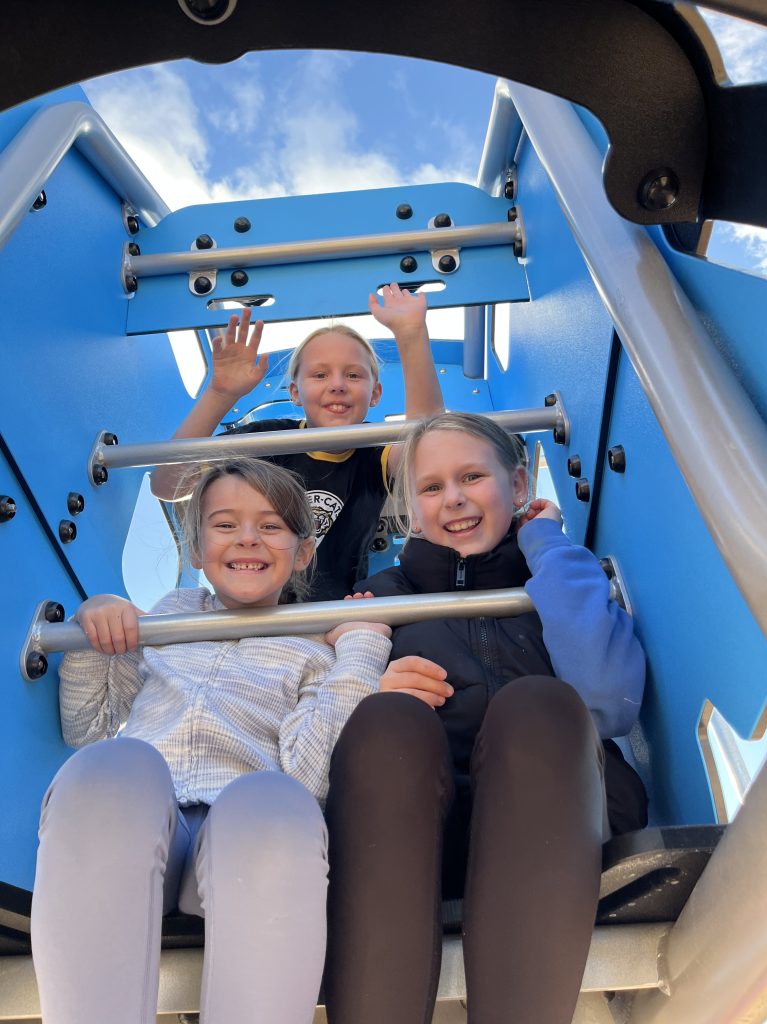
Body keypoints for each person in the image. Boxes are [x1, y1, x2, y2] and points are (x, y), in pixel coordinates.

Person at [31, 458, 392, 1024]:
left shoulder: (311, 647)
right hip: (143, 829)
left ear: (303, 553)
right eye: (225, 524)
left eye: (271, 525)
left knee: (273, 799)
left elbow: (309, 778)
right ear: (196, 549)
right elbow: (87, 727)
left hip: (245, 847)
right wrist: (93, 632)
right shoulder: (167, 618)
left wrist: (360, 652)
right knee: (110, 766)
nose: (247, 537)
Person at [323, 412, 648, 1024]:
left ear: (519, 487)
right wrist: (370, 685)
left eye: (472, 476)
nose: (453, 499)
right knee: (387, 720)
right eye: (431, 486)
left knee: (539, 702)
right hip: (421, 831)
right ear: (412, 511)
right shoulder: (378, 598)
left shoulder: (555, 575)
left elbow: (608, 699)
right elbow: (321, 716)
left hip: (560, 815)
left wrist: (546, 545)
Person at [151, 283, 444, 600]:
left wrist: (411, 335)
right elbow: (168, 485)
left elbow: (427, 448)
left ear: (374, 394)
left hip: (327, 617)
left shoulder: (375, 450)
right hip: (247, 605)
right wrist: (219, 395)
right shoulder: (266, 440)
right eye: (319, 375)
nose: (337, 385)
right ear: (294, 393)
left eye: (354, 375)